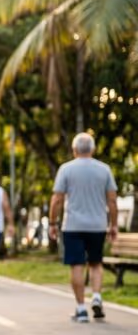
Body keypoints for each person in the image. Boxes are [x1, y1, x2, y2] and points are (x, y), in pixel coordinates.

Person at [49, 132, 119, 323]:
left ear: (74, 150)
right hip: (97, 225)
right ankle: (96, 296)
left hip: (73, 226)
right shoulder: (104, 169)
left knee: (77, 265)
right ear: (93, 149)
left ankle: (81, 309)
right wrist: (113, 225)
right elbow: (112, 201)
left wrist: (52, 223)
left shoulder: (66, 169)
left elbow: (57, 199)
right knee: (96, 263)